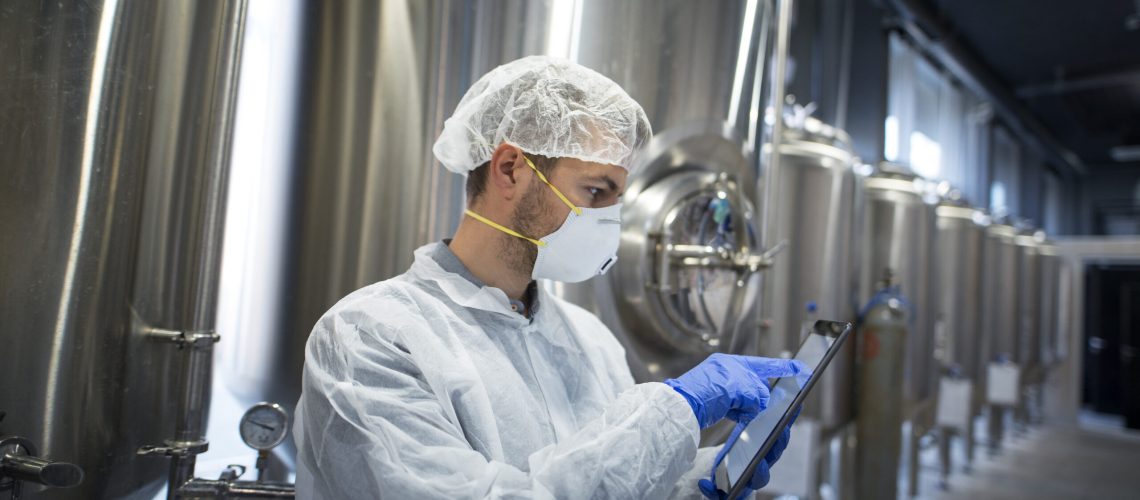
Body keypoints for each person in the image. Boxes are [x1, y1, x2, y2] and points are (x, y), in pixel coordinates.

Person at [293, 55, 802, 499]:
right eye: (596, 192)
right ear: (511, 169)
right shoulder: (369, 339)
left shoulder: (590, 340)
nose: (609, 221)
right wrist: (674, 412)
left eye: (617, 199)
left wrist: (700, 480)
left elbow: (607, 482)